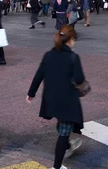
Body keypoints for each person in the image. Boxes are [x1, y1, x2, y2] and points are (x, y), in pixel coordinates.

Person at [27, 26, 85, 169]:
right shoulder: (73, 57)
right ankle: (57, 166)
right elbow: (79, 79)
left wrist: (31, 93)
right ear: (70, 40)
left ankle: (67, 146)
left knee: (63, 125)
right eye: (74, 39)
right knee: (64, 132)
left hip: (51, 99)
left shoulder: (48, 55)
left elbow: (39, 75)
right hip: (67, 101)